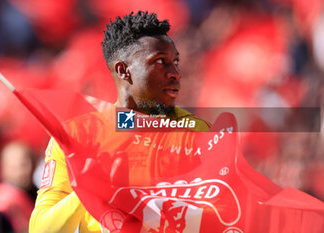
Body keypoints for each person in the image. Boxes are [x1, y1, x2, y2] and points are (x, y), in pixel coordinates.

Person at [29, 11, 211, 233]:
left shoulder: (196, 132)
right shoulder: (76, 136)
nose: (174, 73)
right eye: (160, 62)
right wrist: (88, 186)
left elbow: (222, 214)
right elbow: (41, 229)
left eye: (175, 62)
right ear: (123, 70)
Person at [0, 141, 38, 233]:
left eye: (26, 164)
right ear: (4, 169)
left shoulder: (38, 193)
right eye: (15, 166)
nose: (23, 170)